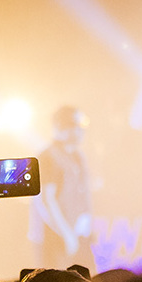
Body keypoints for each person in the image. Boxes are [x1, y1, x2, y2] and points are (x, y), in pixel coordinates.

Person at [30, 105, 94, 270]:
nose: (79, 131)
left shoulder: (78, 156)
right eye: (73, 125)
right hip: (55, 238)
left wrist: (83, 222)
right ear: (59, 126)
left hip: (77, 236)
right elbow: (46, 200)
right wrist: (66, 234)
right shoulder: (48, 156)